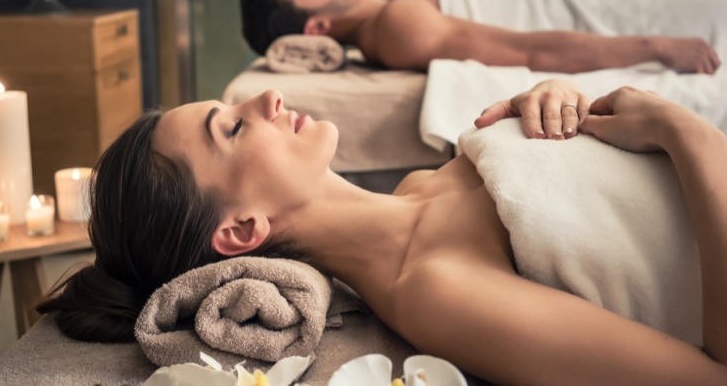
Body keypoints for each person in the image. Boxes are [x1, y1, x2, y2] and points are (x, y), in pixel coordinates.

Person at [38, 80, 727, 384]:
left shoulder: (419, 188)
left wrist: (558, 103)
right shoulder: (434, 291)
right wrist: (684, 132)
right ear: (242, 229)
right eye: (237, 126)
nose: (268, 97)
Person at [239, 0, 723, 74]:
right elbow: (529, 51)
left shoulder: (390, 7)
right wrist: (657, 46)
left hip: (610, 10)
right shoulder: (398, 28)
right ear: (318, 27)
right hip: (627, 33)